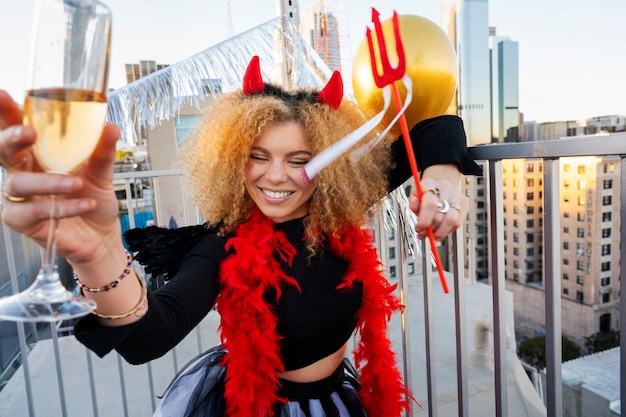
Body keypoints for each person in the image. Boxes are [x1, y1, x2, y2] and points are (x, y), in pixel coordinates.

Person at [0, 56, 482, 417]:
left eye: (299, 160)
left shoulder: (341, 207)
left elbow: (436, 127)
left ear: (331, 167)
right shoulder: (224, 244)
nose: (278, 178)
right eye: (258, 156)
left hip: (342, 396)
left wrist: (443, 179)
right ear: (234, 157)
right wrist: (99, 255)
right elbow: (149, 337)